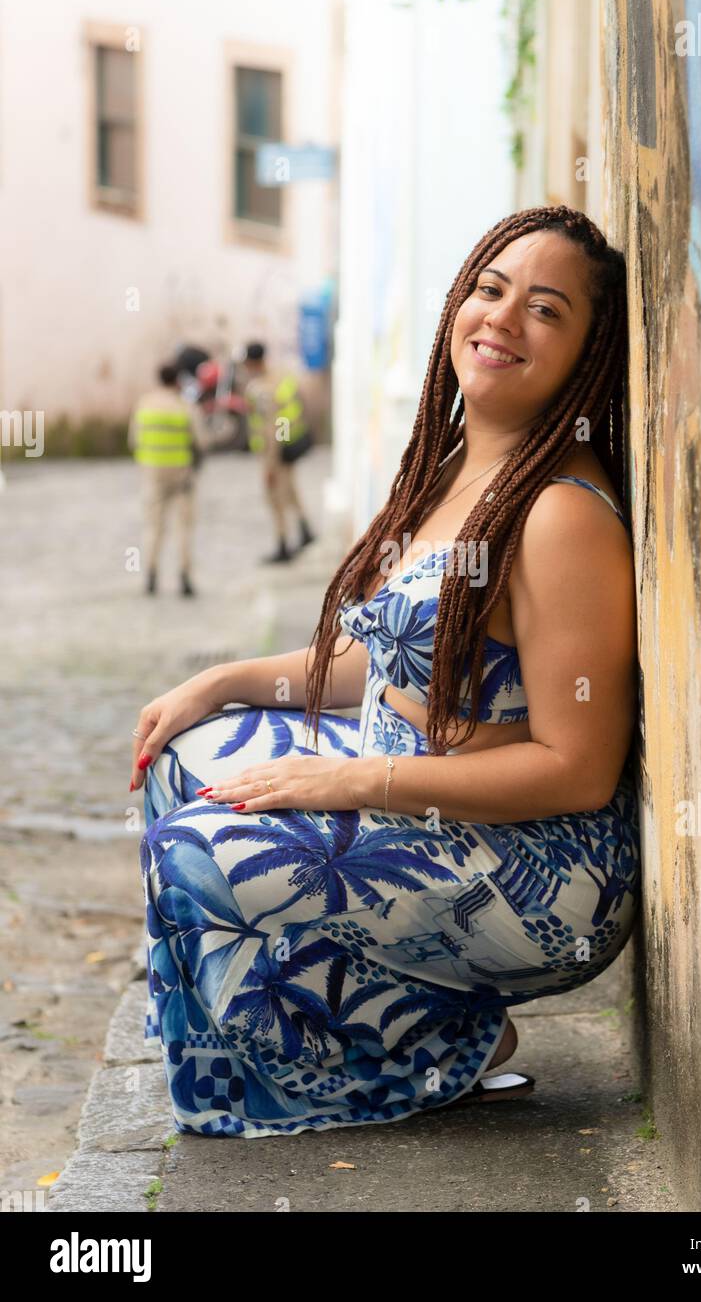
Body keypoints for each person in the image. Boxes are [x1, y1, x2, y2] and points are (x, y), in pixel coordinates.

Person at [130, 205, 641, 1138]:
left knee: (192, 851)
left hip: (536, 870)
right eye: (489, 290)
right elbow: (384, 664)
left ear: (586, 351)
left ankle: (416, 1051)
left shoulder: (561, 513)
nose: (501, 318)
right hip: (421, 791)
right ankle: (420, 1022)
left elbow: (580, 769)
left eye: (545, 310)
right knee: (183, 757)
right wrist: (223, 680)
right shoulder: (454, 466)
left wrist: (353, 777)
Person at [128, 363, 206, 597]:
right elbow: (201, 442)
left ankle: (150, 574)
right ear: (177, 381)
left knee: (153, 526)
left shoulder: (144, 405)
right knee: (184, 526)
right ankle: (184, 576)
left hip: (152, 474)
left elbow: (133, 441)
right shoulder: (185, 407)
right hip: (182, 475)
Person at [243, 341, 316, 563]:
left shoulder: (261, 389)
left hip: (275, 451)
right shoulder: (283, 376)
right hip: (291, 443)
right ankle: (305, 530)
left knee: (276, 497)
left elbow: (271, 427)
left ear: (253, 363)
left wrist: (270, 466)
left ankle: (283, 544)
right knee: (290, 490)